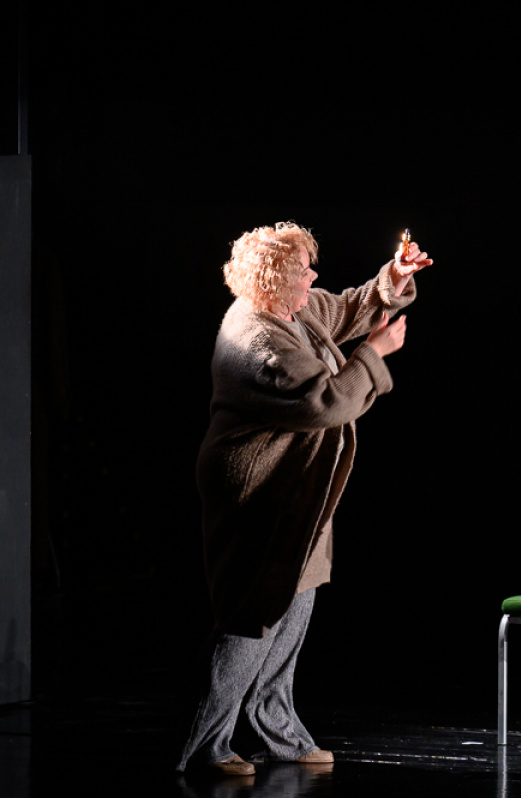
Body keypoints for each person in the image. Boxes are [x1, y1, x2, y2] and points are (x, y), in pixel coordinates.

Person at [177, 221, 432, 776]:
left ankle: (282, 736)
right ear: (273, 283)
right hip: (257, 488)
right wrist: (373, 353)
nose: (313, 277)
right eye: (302, 272)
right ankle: (204, 747)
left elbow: (344, 307)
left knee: (295, 605)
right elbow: (324, 402)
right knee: (253, 614)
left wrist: (393, 278)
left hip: (298, 484)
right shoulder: (257, 340)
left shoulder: (291, 310)